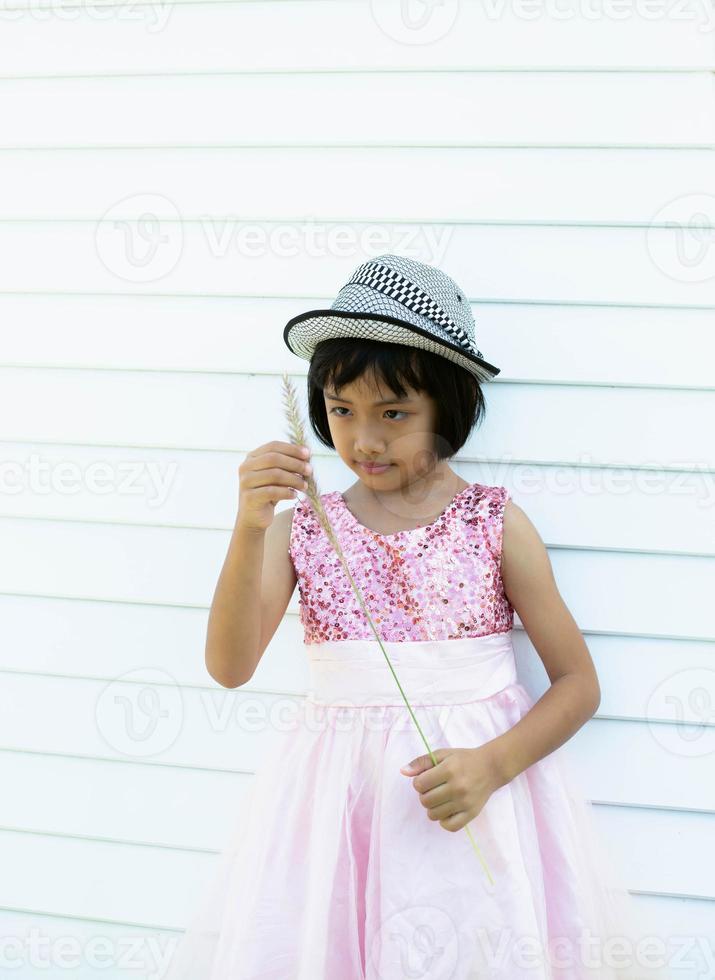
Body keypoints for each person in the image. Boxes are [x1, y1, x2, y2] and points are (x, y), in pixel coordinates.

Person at [161, 255, 670, 979]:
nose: (364, 441)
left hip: (471, 801)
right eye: (342, 411)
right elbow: (229, 666)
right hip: (340, 808)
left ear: (449, 407)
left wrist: (493, 765)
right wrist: (249, 526)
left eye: (393, 414)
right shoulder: (300, 530)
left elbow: (576, 684)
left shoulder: (493, 524)